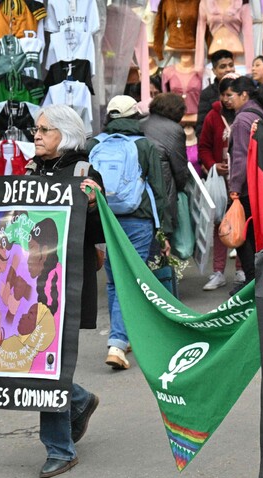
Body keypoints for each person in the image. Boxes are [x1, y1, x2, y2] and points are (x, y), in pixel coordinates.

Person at [0, 104, 104, 478]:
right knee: (39, 365)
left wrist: (93, 206)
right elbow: (10, 227)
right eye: (36, 130)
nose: (36, 135)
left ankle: (60, 448)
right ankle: (78, 398)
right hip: (23, 288)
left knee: (47, 367)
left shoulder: (84, 173)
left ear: (66, 134)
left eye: (44, 130)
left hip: (62, 288)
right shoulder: (28, 172)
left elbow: (100, 236)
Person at [88, 95, 171, 370]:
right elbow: (159, 189)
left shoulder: (94, 144)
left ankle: (122, 336)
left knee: (114, 281)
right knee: (132, 280)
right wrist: (164, 231)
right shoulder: (144, 145)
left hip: (106, 218)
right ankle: (118, 343)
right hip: (138, 220)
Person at [226, 77, 263, 293]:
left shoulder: (242, 119)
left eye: (231, 95)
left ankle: (251, 281)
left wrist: (234, 187)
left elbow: (240, 157)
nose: (228, 100)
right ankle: (257, 279)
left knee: (241, 235)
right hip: (259, 185)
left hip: (245, 188)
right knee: (255, 235)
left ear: (243, 95)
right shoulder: (258, 113)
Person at [198, 76, 244, 291]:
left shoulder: (245, 115)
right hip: (220, 182)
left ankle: (241, 269)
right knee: (220, 225)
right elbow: (204, 146)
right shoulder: (212, 116)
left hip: (241, 180)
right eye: (223, 95)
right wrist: (213, 165)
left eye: (230, 95)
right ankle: (218, 272)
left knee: (241, 224)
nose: (226, 99)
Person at [141, 93, 189, 236]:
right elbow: (180, 169)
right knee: (161, 240)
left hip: (139, 192)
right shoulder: (175, 130)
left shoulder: (140, 123)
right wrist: (181, 188)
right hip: (163, 191)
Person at [195, 49, 235, 136]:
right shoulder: (207, 94)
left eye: (231, 65)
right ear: (214, 71)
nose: (228, 69)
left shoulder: (243, 88)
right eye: (223, 67)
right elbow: (201, 127)